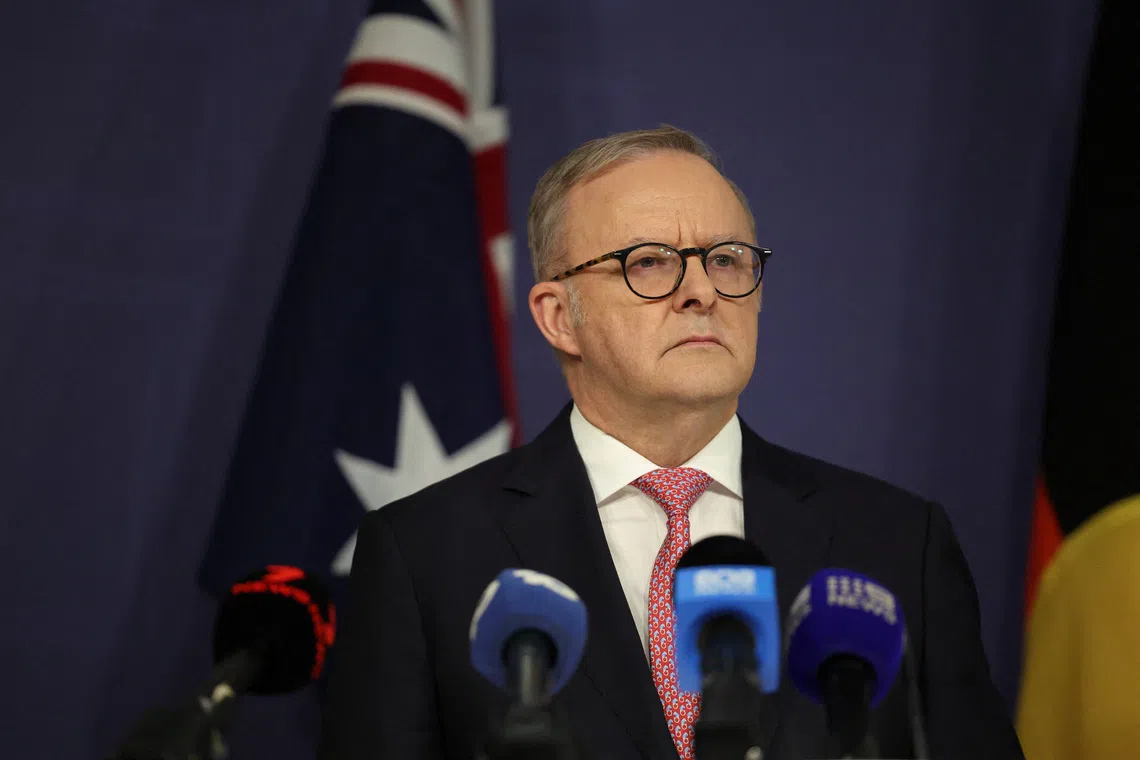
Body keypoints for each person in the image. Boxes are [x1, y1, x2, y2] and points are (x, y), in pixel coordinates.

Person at [318, 125, 1025, 760]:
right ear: (560, 317)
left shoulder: (898, 544)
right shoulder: (426, 555)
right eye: (650, 262)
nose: (702, 292)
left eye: (726, 259)